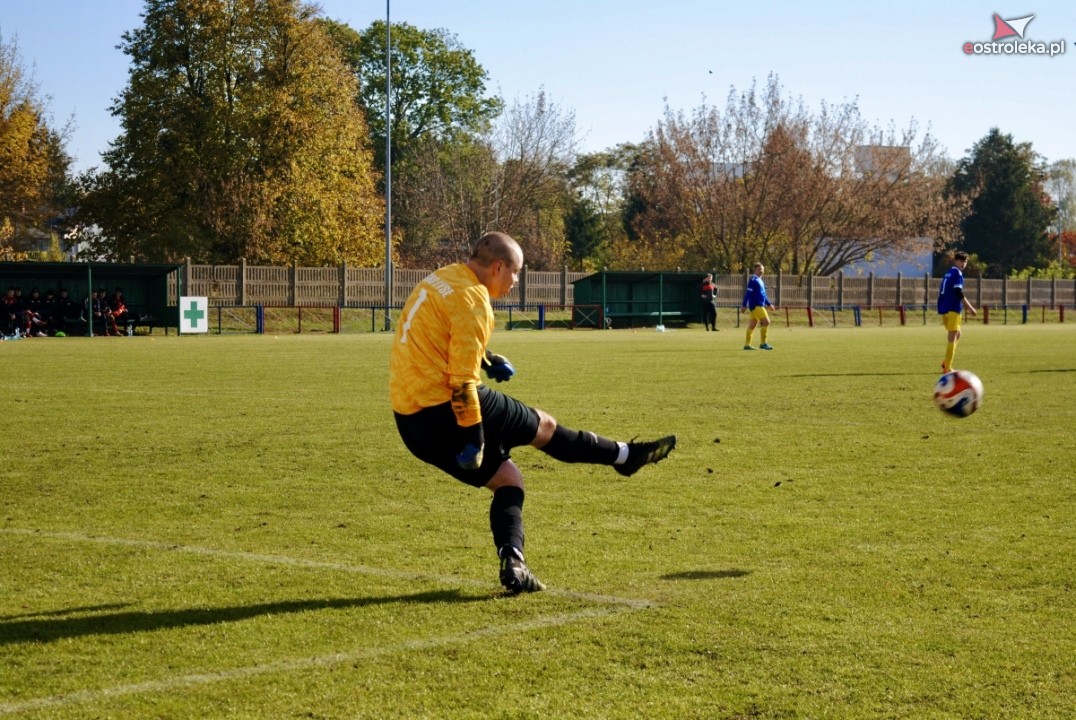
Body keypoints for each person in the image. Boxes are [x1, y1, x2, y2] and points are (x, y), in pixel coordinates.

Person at [390, 231, 676, 595]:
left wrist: (487, 358)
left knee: (508, 480)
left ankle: (514, 563)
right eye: (516, 272)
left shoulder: (441, 278)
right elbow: (462, 383)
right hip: (448, 405)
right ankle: (625, 456)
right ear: (498, 266)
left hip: (410, 421)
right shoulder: (475, 300)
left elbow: (436, 337)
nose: (516, 281)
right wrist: (474, 439)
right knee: (544, 426)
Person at [937, 251, 977, 373]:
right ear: (956, 261)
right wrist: (969, 307)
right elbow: (958, 292)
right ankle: (947, 368)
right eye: (962, 261)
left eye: (965, 261)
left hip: (944, 308)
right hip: (953, 308)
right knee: (952, 337)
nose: (964, 263)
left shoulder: (948, 272)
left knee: (957, 334)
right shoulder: (957, 273)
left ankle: (945, 362)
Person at [741, 263, 776, 350]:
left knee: (752, 325)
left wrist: (769, 304)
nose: (761, 271)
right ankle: (763, 343)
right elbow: (748, 293)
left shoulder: (760, 280)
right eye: (759, 269)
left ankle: (747, 345)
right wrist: (744, 304)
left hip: (757, 306)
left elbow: (763, 295)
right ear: (755, 270)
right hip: (757, 306)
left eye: (762, 269)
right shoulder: (753, 280)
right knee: (766, 322)